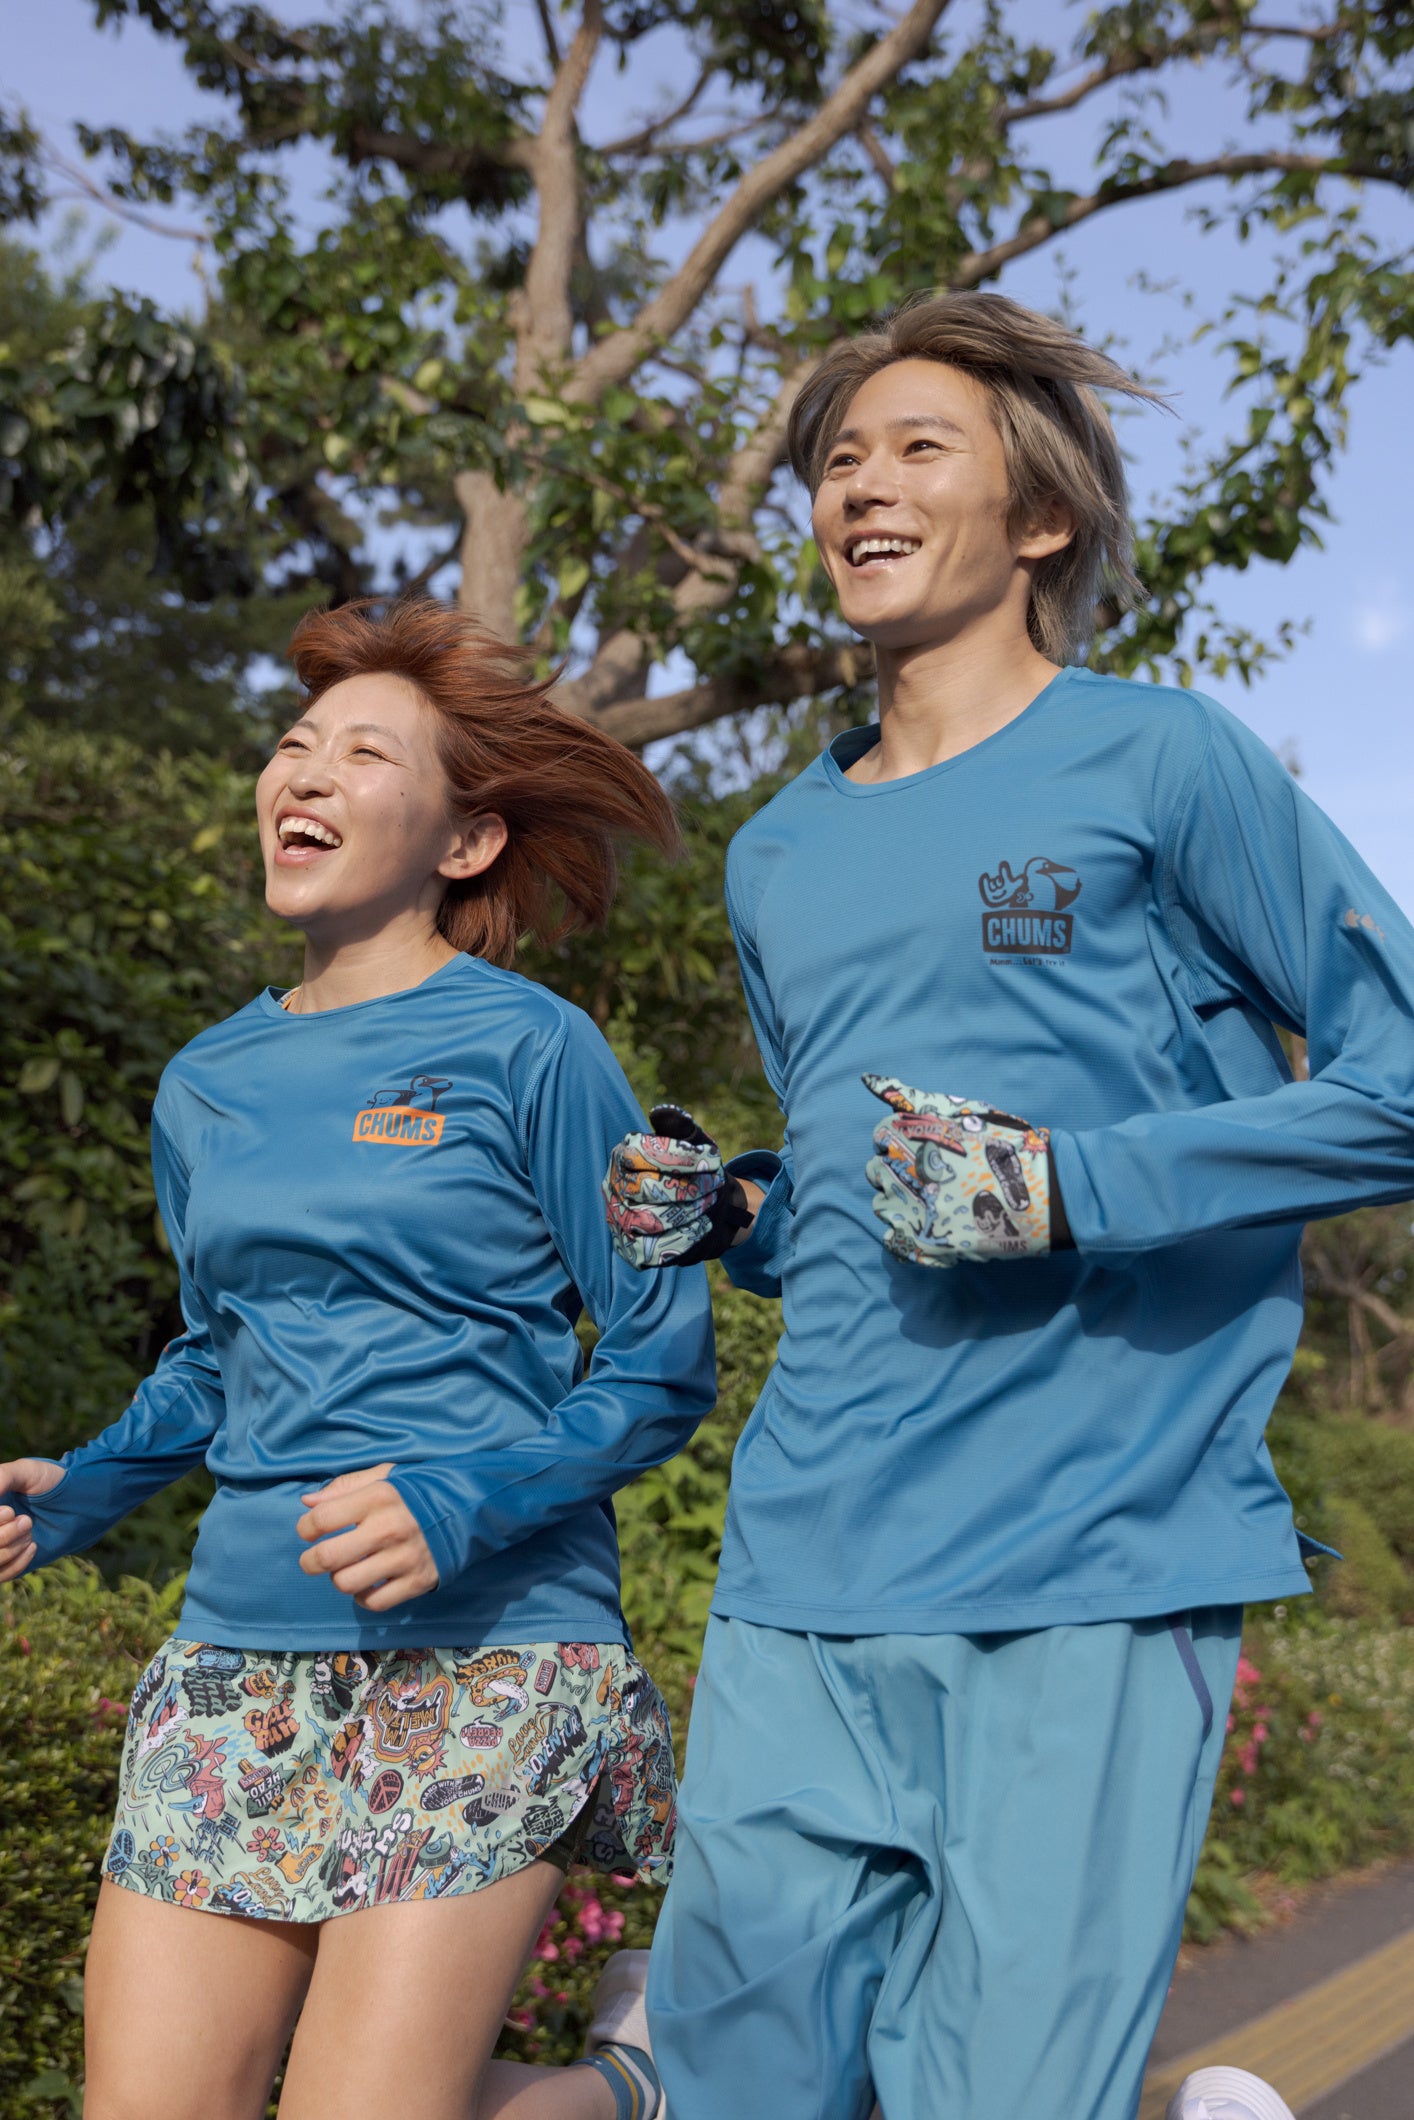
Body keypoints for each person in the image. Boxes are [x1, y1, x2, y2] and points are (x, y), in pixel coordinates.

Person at [602, 291, 1414, 2120]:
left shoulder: (1161, 761)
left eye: (916, 448)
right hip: (807, 1558)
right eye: (837, 460)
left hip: (1091, 1554)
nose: (859, 486)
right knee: (737, 2094)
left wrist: (1070, 1186)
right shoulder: (775, 848)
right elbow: (863, 1179)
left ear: (1038, 516)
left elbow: (1395, 1085)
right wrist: (734, 1213)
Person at [0, 598, 715, 2120]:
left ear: (465, 840)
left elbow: (659, 1360)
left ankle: (630, 2089)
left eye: (366, 754)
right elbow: (218, 1355)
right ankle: (636, 2082)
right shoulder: (206, 1082)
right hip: (237, 1649)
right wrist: (81, 1494)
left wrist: (463, 1498)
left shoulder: (534, 1049)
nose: (306, 774)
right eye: (294, 744)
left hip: (491, 1647)